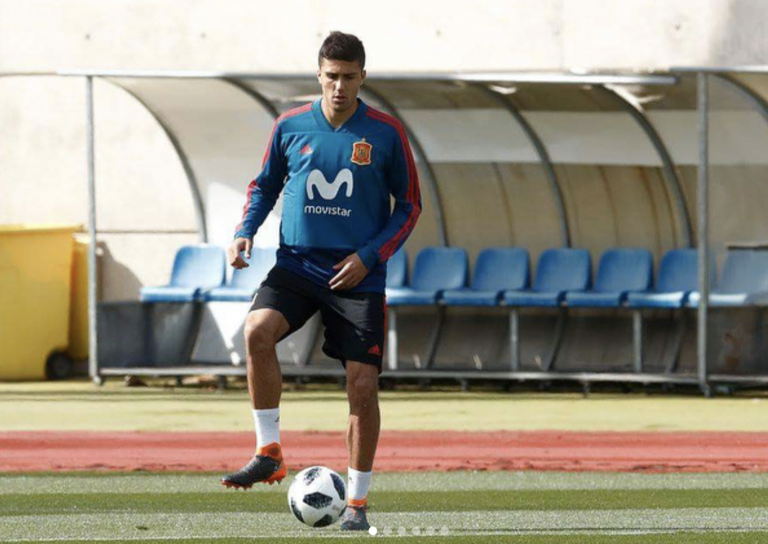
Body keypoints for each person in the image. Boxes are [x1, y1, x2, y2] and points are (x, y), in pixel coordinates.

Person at [220, 31, 421, 531]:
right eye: (331, 76)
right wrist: (244, 232)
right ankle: (268, 451)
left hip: (358, 276)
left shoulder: (385, 133)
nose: (339, 86)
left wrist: (369, 255)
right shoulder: (289, 126)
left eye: (348, 77)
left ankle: (356, 504)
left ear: (362, 77)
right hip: (297, 265)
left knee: (362, 386)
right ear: (319, 75)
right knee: (255, 332)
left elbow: (409, 206)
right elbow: (264, 185)